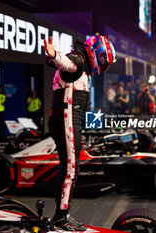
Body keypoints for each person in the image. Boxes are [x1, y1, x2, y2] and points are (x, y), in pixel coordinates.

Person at [44, 34, 115, 231]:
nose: (103, 68)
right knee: (71, 169)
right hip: (66, 121)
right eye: (104, 63)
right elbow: (66, 63)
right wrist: (53, 56)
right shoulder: (79, 60)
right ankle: (61, 217)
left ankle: (62, 215)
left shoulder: (82, 65)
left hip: (66, 121)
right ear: (97, 54)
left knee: (70, 168)